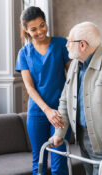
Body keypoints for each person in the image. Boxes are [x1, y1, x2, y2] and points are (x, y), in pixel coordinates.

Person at [15, 6, 71, 175]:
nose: (40, 31)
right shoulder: (24, 53)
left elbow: (72, 77)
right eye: (33, 29)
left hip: (61, 112)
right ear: (26, 30)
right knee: (38, 161)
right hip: (37, 112)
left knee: (59, 161)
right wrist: (47, 111)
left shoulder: (61, 44)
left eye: (42, 25)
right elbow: (29, 87)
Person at [50, 21, 102, 175]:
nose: (66, 45)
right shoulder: (75, 64)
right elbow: (65, 101)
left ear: (83, 45)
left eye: (69, 41)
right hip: (82, 137)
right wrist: (59, 133)